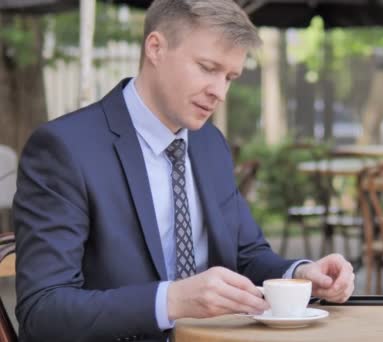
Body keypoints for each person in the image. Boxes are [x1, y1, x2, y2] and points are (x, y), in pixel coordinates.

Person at [12, 1, 354, 341]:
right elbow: (43, 312)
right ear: (156, 48)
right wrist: (173, 300)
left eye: (230, 77)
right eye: (207, 68)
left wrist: (303, 274)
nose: (219, 92)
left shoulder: (209, 143)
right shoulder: (65, 148)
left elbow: (247, 255)